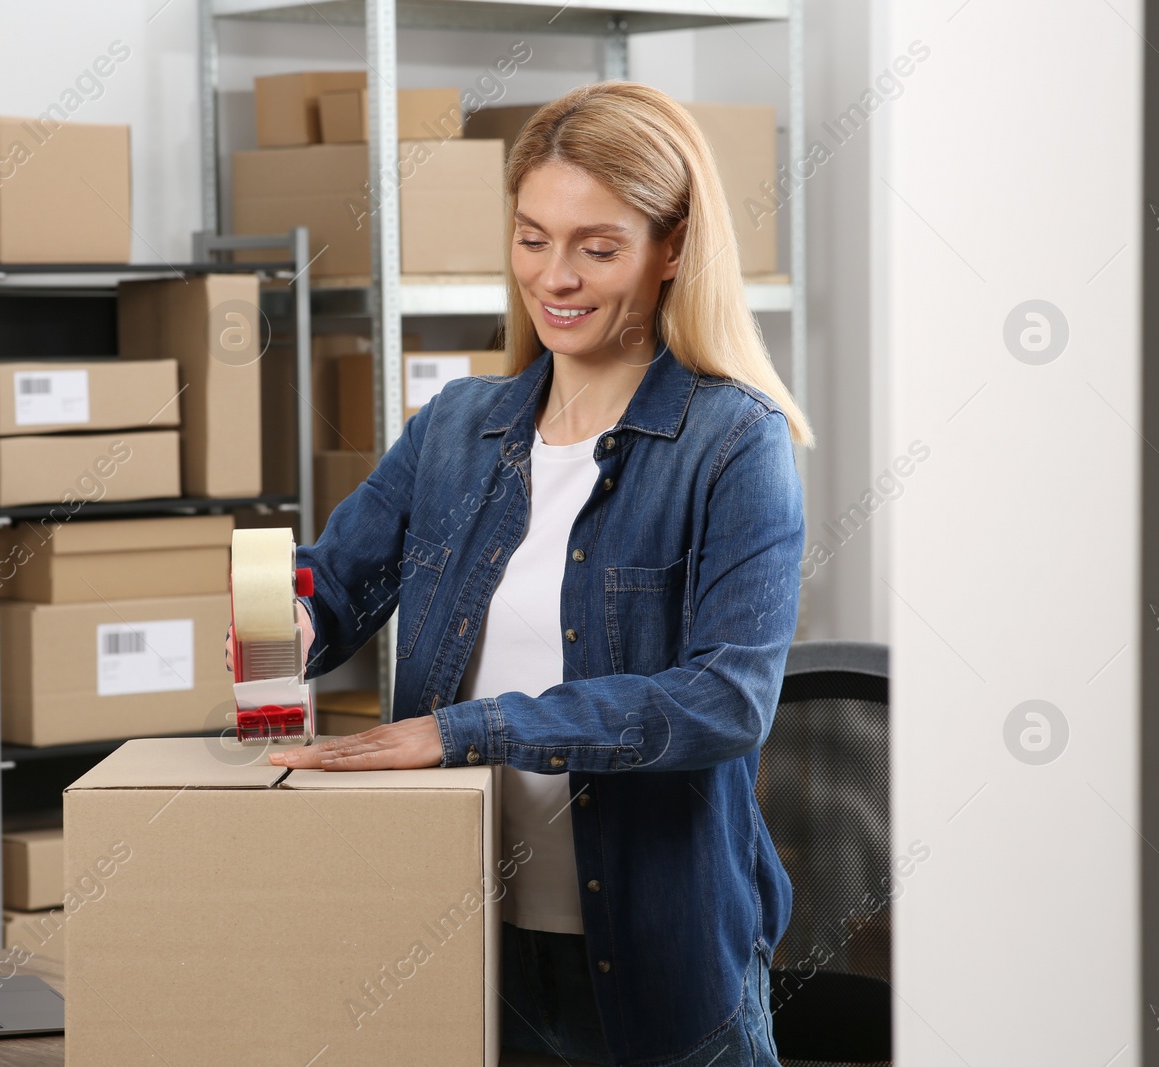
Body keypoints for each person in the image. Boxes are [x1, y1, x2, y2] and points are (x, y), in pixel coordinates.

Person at [225, 81, 811, 1067]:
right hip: (457, 941)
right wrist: (259, 624)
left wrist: (459, 732)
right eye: (533, 237)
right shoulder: (457, 428)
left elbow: (724, 698)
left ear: (672, 248)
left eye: (597, 244)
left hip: (660, 968)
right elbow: (328, 587)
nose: (556, 277)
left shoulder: (732, 442)